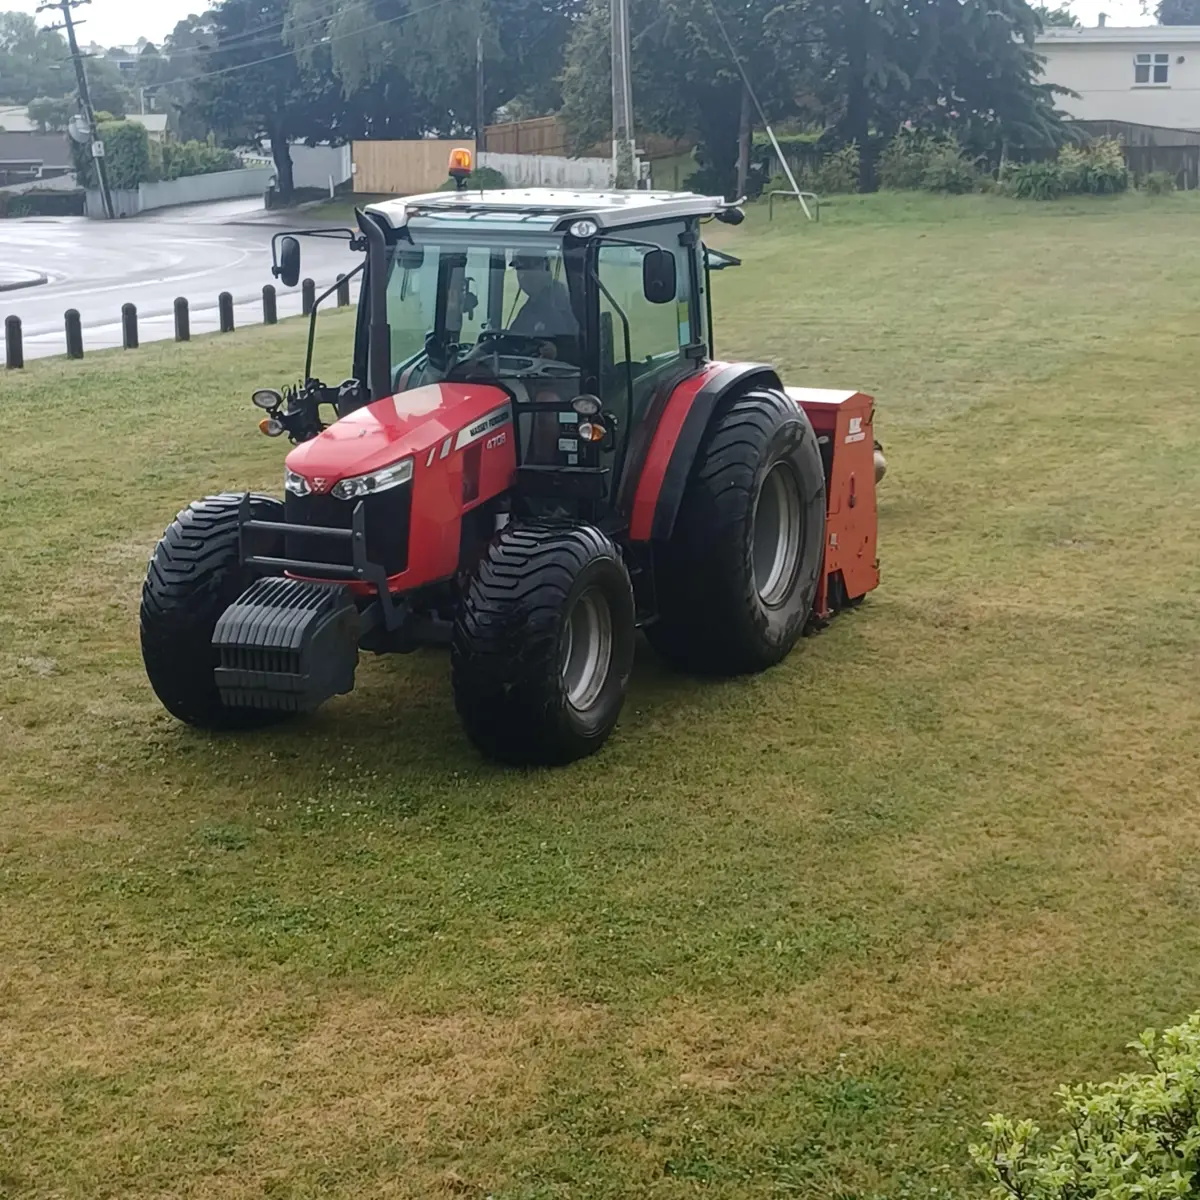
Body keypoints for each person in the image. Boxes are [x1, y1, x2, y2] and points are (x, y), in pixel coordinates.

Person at [509, 254, 578, 340]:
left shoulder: (559, 302)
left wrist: (555, 350)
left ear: (544, 268)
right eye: (518, 270)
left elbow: (573, 344)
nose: (521, 275)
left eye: (528, 269)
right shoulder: (531, 306)